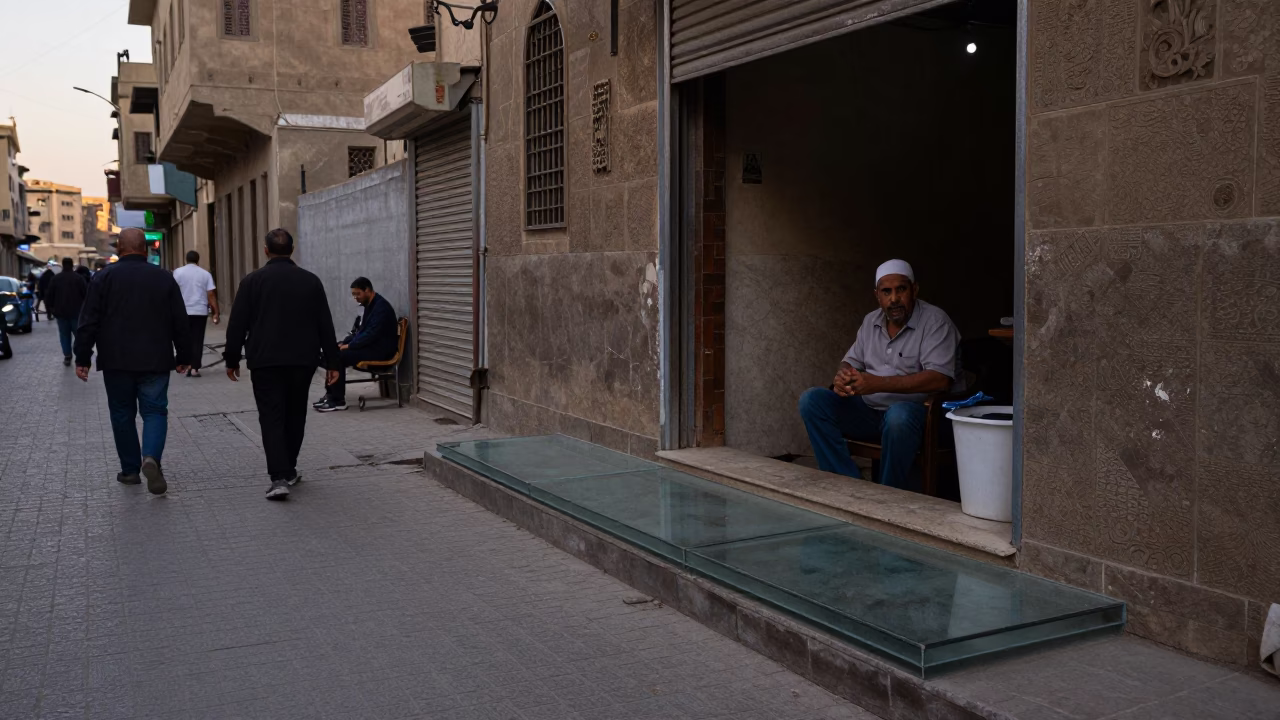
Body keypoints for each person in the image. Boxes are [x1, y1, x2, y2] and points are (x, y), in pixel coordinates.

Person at [798, 260, 960, 491]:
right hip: (870, 413)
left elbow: (940, 379)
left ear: (914, 290)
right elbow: (850, 361)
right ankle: (847, 486)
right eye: (886, 292)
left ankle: (885, 495)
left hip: (919, 417)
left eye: (901, 289)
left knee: (899, 416)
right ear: (877, 295)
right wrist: (843, 377)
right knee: (812, 400)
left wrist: (878, 384)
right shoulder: (870, 321)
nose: (894, 299)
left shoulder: (935, 321)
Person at [224, 229, 340, 501]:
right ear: (292, 249)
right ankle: (289, 469)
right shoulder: (310, 281)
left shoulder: (252, 282)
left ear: (266, 250)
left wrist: (232, 358)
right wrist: (333, 362)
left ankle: (279, 477)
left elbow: (237, 323)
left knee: (271, 416)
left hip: (265, 362)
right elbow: (325, 323)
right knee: (296, 413)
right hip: (302, 361)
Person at [75, 228, 191, 495]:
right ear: (146, 249)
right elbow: (180, 320)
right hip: (156, 359)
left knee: (121, 414)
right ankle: (151, 458)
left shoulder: (103, 277)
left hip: (116, 360)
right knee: (155, 411)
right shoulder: (163, 277)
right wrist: (184, 355)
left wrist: (82, 357)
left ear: (119, 248)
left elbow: (88, 320)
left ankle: (129, 471)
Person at [314, 277, 398, 412]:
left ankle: (337, 400)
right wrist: (345, 342)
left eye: (358, 294)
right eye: (354, 295)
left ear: (368, 290)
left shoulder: (381, 308)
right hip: (371, 347)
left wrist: (350, 346)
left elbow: (370, 334)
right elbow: (362, 331)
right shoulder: (370, 305)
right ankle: (330, 395)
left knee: (339, 357)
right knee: (332, 352)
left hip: (381, 351)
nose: (356, 298)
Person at [173, 250, 220, 377]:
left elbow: (172, 291)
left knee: (184, 339)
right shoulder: (205, 274)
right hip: (200, 311)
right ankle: (194, 368)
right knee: (197, 340)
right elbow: (211, 294)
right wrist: (216, 312)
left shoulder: (177, 273)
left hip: (182, 311)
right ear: (198, 260)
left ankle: (185, 364)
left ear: (186, 259)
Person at [44, 257, 88, 366]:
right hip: (77, 313)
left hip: (61, 313)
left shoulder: (56, 279)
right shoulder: (79, 278)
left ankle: (67, 356)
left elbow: (49, 296)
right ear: (72, 265)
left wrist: (51, 310)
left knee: (64, 336)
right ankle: (79, 356)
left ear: (63, 265)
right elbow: (86, 295)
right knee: (78, 335)